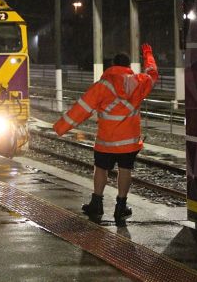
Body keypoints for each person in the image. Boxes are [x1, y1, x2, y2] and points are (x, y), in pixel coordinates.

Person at [53, 44, 158, 224]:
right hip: (129, 142)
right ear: (128, 66)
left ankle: (97, 203)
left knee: (100, 169)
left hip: (106, 141)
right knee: (125, 170)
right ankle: (121, 207)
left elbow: (82, 108)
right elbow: (152, 72)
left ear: (112, 65)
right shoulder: (140, 82)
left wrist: (60, 128)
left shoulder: (103, 85)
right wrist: (148, 54)